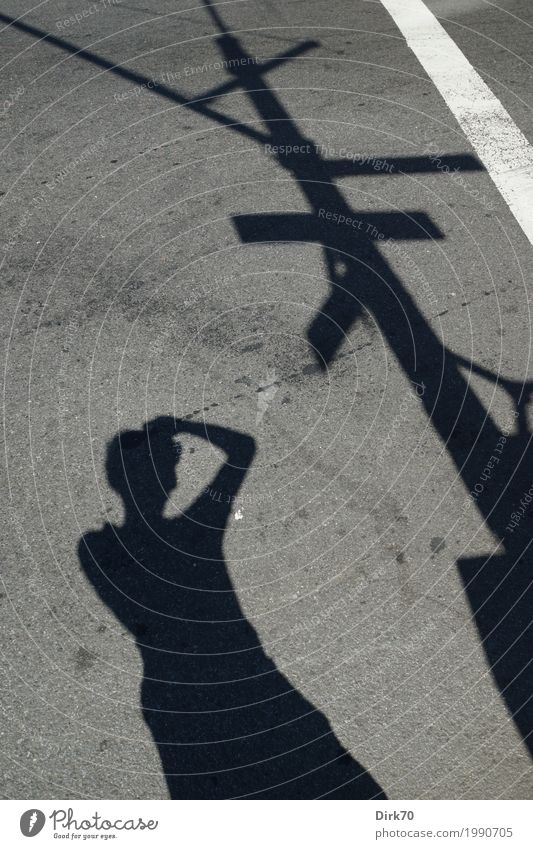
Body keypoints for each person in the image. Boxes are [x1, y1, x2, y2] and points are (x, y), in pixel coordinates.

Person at [78, 416, 385, 799]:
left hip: (177, 700)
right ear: (171, 479)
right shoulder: (196, 530)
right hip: (252, 686)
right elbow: (242, 449)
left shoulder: (95, 548)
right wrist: (178, 424)